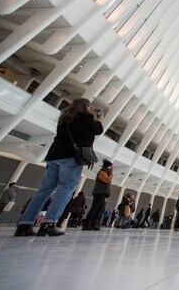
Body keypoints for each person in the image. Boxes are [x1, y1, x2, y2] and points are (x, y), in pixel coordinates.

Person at [14, 98, 103, 237]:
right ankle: (49, 223)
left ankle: (24, 224)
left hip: (55, 156)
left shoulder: (64, 118)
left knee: (44, 191)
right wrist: (97, 118)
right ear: (86, 107)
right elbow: (97, 130)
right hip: (71, 157)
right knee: (65, 189)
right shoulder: (86, 118)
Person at [82, 159, 113, 231]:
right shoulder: (102, 172)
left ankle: (93, 223)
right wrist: (111, 174)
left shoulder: (105, 172)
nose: (112, 169)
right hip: (99, 193)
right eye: (111, 167)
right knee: (94, 208)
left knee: (98, 210)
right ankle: (87, 223)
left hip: (102, 193)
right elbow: (107, 180)